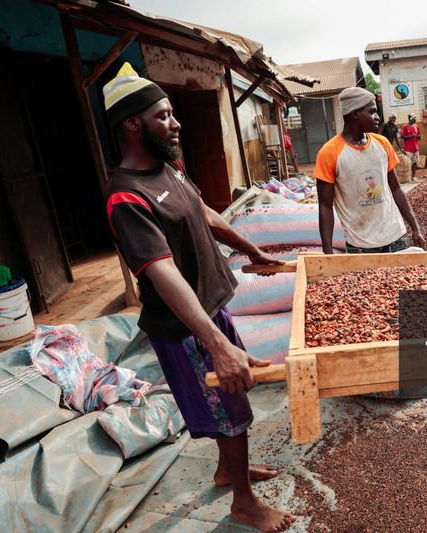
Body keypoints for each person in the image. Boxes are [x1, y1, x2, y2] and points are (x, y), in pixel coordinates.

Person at [102, 63, 295, 531]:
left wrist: (254, 250)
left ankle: (230, 469)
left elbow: (204, 212)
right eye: (164, 116)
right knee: (230, 409)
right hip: (185, 328)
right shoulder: (126, 197)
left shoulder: (169, 168)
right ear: (132, 123)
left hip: (210, 312)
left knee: (230, 405)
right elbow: (161, 271)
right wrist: (216, 343)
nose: (176, 123)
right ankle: (243, 503)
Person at [315, 87, 425, 254]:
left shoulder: (382, 144)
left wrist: (415, 227)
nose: (377, 117)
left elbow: (395, 189)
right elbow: (325, 206)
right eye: (372, 112)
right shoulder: (329, 153)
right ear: (355, 114)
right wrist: (328, 253)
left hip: (397, 239)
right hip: (361, 247)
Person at [400, 113, 422, 181]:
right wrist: (411, 136)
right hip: (408, 149)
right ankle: (408, 177)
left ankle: (413, 177)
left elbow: (419, 135)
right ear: (411, 118)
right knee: (408, 164)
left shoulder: (416, 126)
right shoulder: (405, 127)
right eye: (414, 118)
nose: (415, 119)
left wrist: (419, 137)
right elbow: (402, 136)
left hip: (415, 148)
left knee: (415, 163)